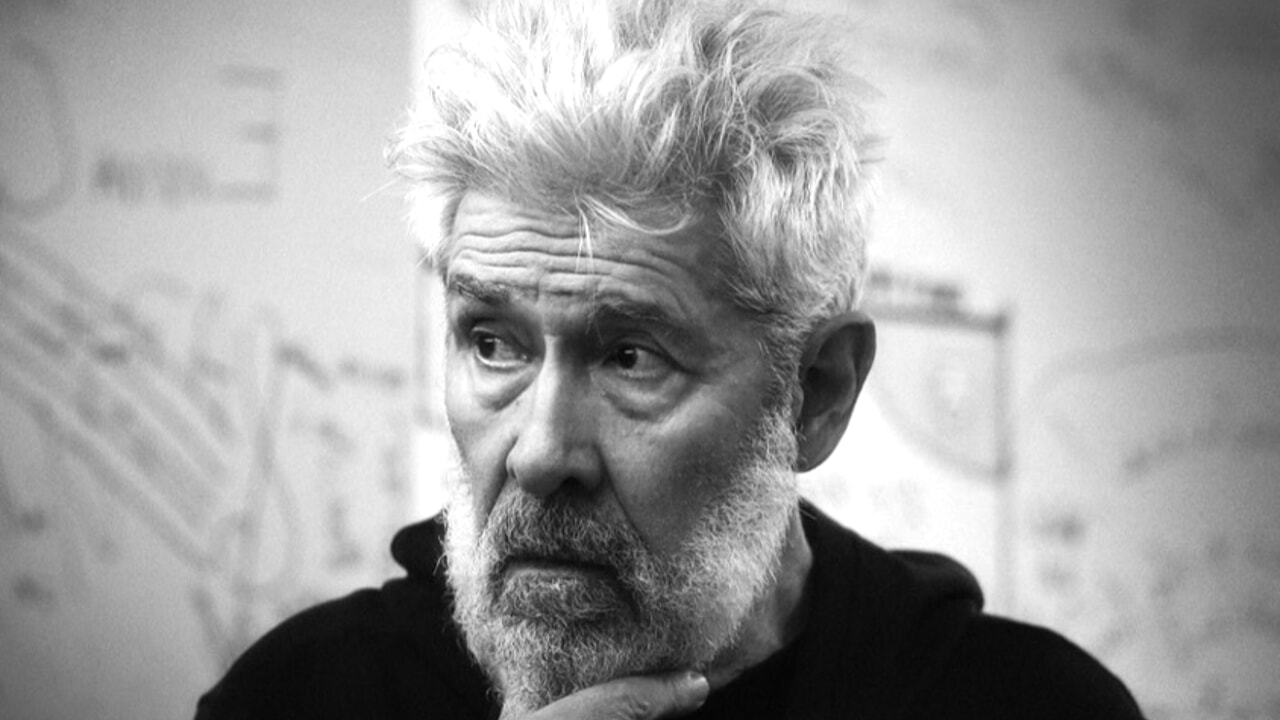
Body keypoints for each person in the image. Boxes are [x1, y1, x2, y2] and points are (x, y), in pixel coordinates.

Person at [196, 0, 1146, 718]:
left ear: (815, 394)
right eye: (493, 343)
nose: (540, 453)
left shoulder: (1025, 706)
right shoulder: (299, 696)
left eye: (631, 358)